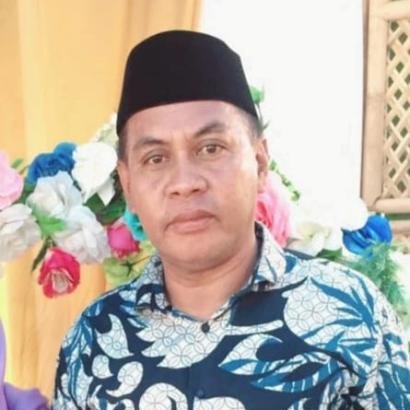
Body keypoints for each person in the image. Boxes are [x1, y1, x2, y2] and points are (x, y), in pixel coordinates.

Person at [52, 30, 410, 409]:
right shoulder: (93, 338)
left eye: (211, 148)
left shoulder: (350, 311)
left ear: (259, 163)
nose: (185, 183)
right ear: (128, 185)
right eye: (155, 158)